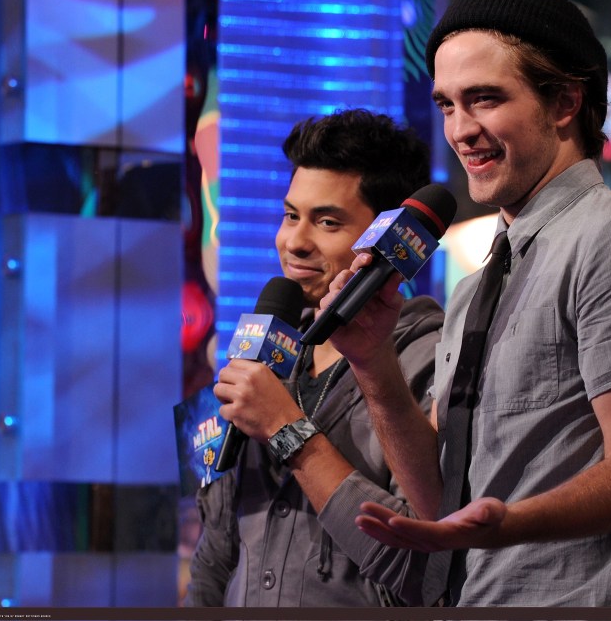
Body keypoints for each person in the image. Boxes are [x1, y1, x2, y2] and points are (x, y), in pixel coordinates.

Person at [321, 0, 611, 606]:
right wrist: (372, 360)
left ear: (565, 103)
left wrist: (508, 524)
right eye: (446, 105)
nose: (460, 130)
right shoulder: (475, 286)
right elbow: (440, 502)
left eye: (484, 99)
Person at [185, 108, 443, 607]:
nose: (295, 242)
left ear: (386, 239)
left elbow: (425, 566)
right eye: (290, 216)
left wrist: (285, 428)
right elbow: (216, 556)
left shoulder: (429, 358)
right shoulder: (264, 351)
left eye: (327, 222)